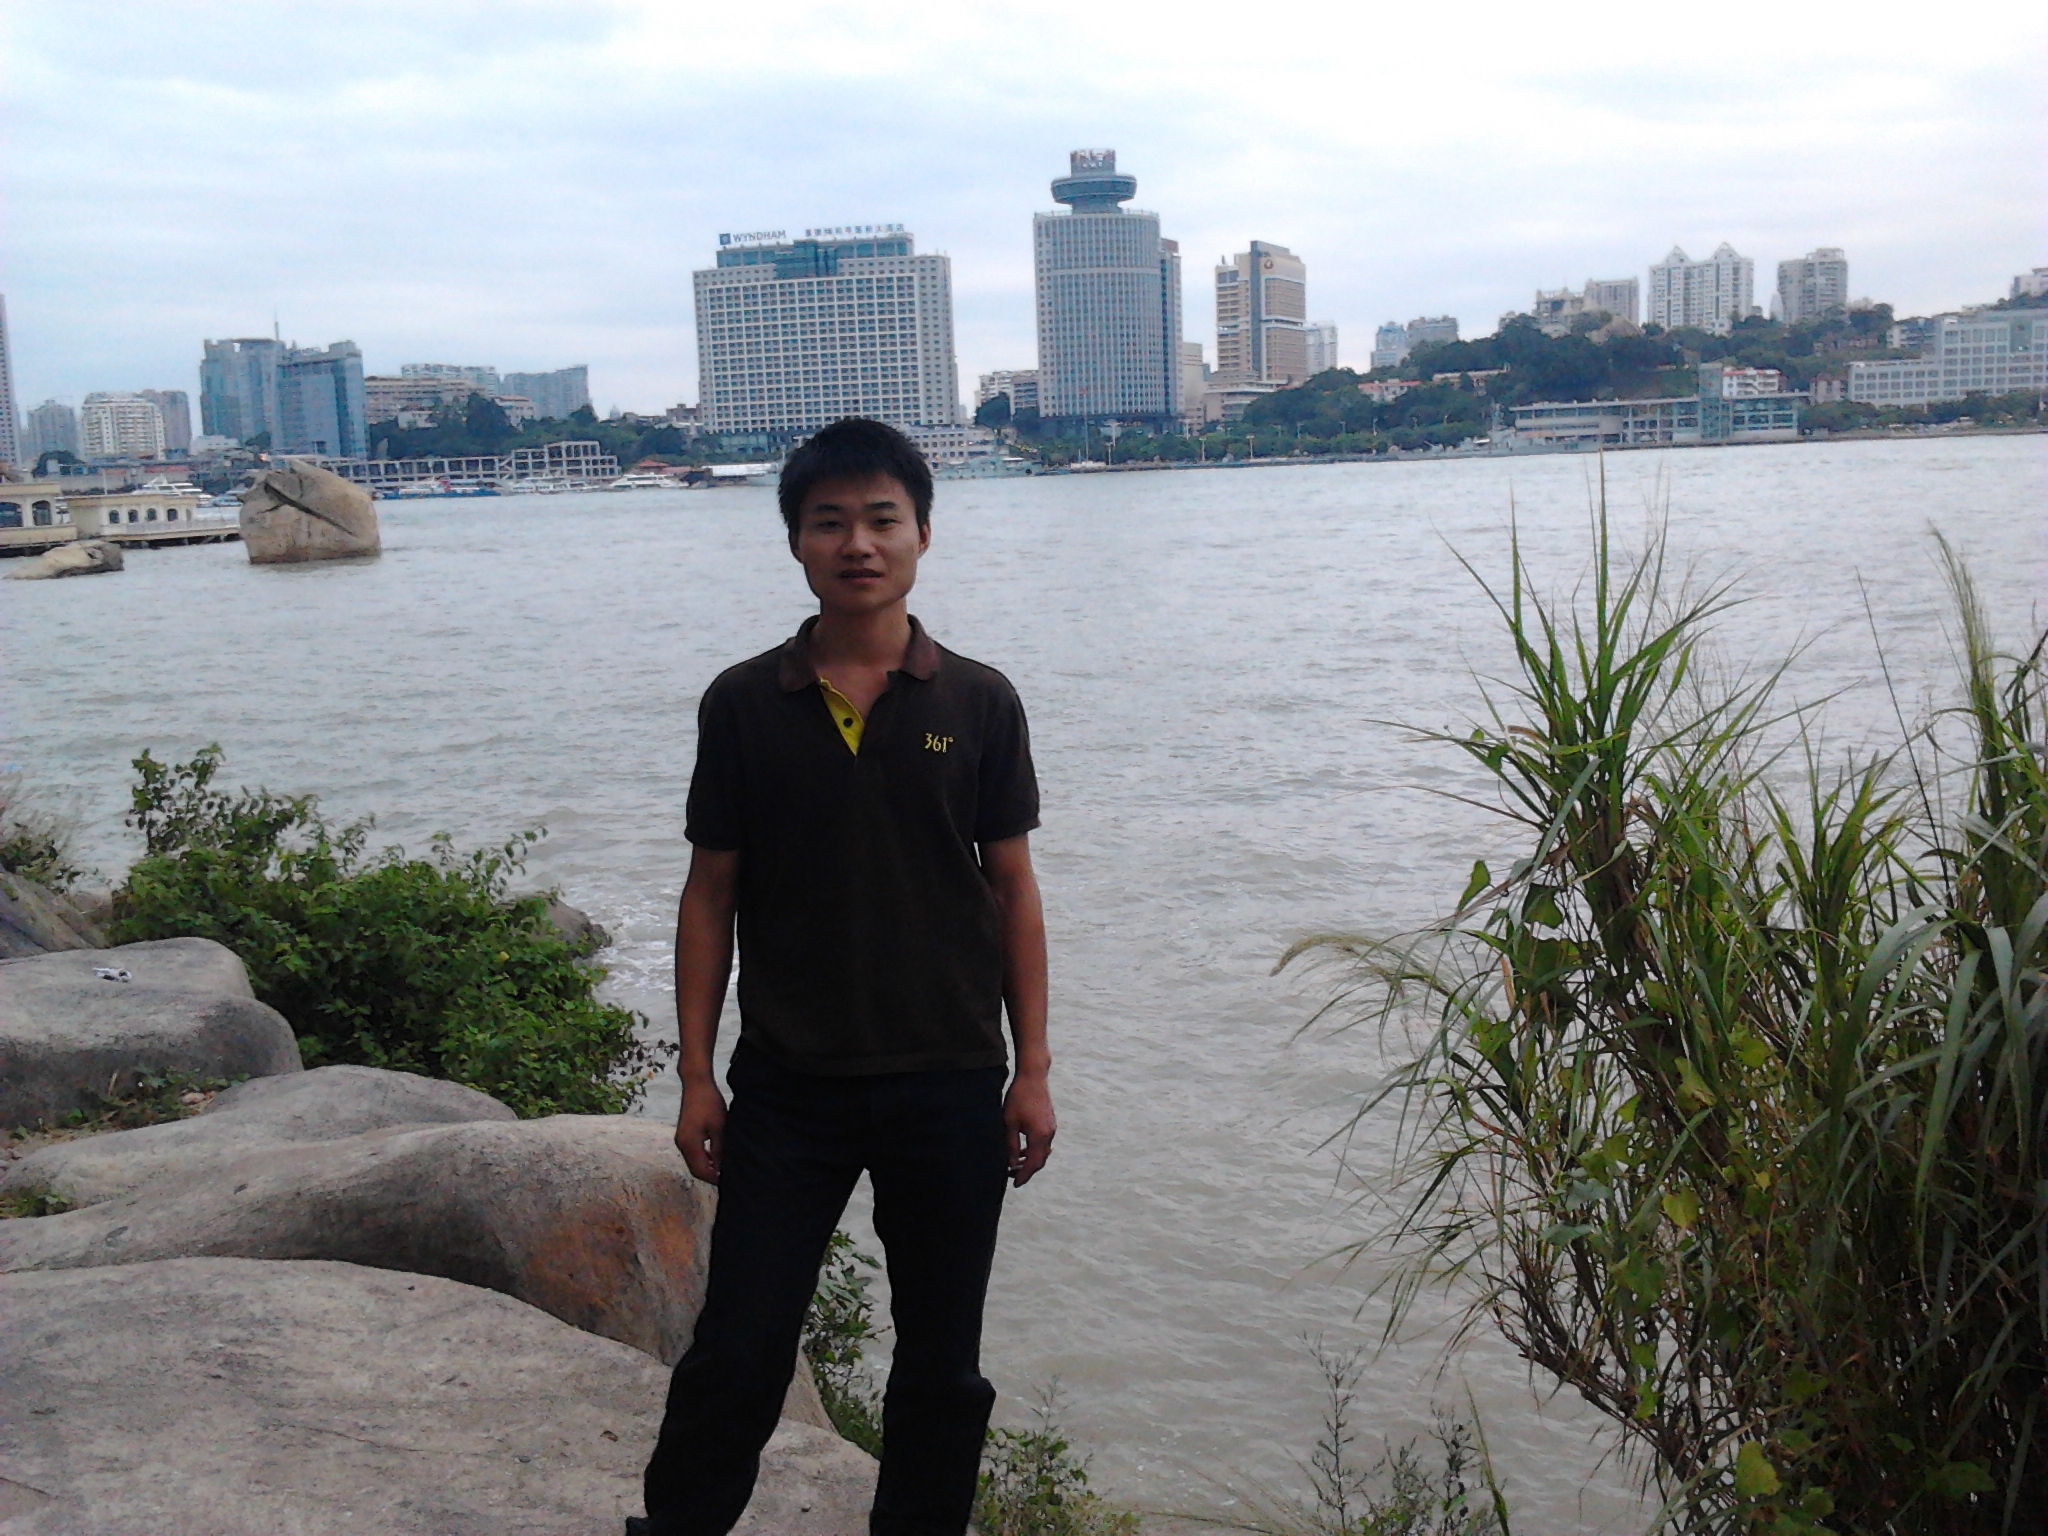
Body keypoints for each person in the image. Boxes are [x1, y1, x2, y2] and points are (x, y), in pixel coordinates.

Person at [632, 417, 1056, 1536]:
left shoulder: (978, 701)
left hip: (949, 1078)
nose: (857, 544)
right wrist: (696, 1076)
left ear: (922, 533)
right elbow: (709, 894)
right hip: (789, 1085)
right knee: (739, 1348)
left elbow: (1013, 889)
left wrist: (1032, 1070)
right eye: (830, 522)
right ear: (795, 542)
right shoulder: (743, 702)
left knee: (942, 1367)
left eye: (881, 519)